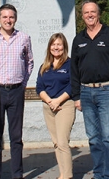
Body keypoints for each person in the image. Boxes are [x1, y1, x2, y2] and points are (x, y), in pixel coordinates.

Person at [70, 0, 109, 179]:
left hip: (107, 90)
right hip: (86, 93)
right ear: (82, 16)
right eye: (86, 13)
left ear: (98, 14)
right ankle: (99, 174)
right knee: (93, 138)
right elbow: (74, 70)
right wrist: (76, 96)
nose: (90, 15)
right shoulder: (78, 39)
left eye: (93, 12)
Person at [0, 3, 34, 179]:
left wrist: (23, 83)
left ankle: (17, 175)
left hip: (16, 90)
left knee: (16, 137)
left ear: (15, 19)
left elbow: (30, 62)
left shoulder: (24, 38)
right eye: (4, 17)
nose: (8, 20)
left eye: (11, 17)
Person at [36, 33, 76, 179]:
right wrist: (49, 101)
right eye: (53, 45)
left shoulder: (70, 64)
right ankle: (62, 173)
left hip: (64, 105)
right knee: (56, 143)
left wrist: (58, 101)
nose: (56, 47)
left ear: (64, 46)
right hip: (48, 107)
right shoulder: (44, 66)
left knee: (63, 142)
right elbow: (39, 87)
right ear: (49, 47)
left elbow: (73, 85)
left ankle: (67, 176)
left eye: (59, 44)